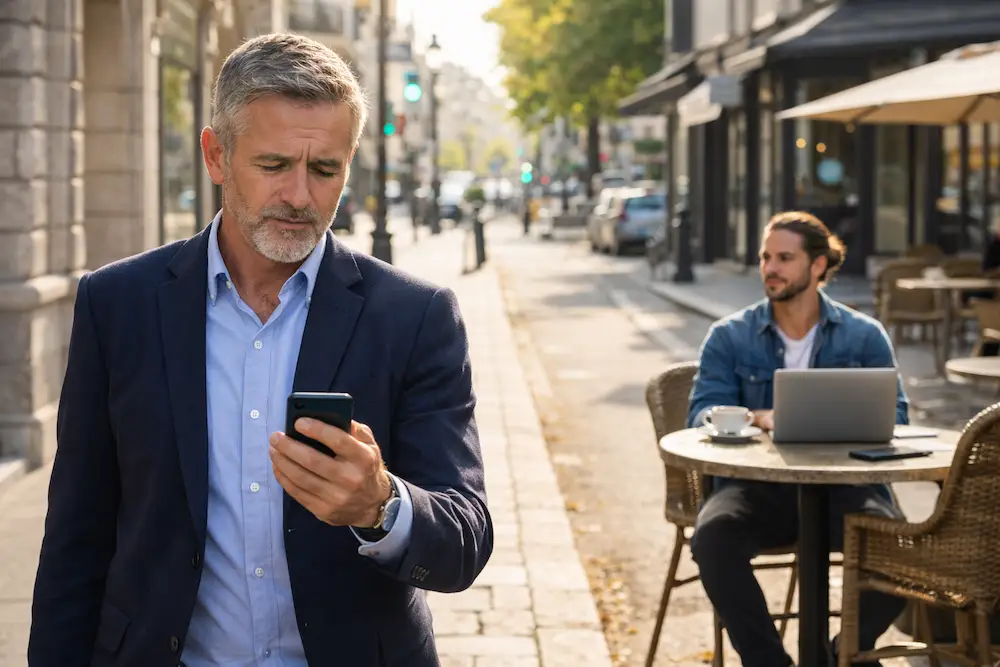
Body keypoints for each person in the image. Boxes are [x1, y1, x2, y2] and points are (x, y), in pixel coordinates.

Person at [28, 34, 492, 667]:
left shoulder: (415, 316)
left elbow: (465, 538)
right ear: (216, 156)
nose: (300, 196)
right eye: (274, 165)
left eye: (324, 169)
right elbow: (75, 538)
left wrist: (382, 506)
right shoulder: (117, 305)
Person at [687, 211, 908, 667]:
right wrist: (757, 418)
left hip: (848, 489)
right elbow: (701, 414)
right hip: (757, 488)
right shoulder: (729, 337)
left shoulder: (865, 336)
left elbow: (897, 419)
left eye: (785, 258)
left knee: (904, 554)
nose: (771, 268)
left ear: (819, 265)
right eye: (767, 257)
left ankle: (836, 658)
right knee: (712, 539)